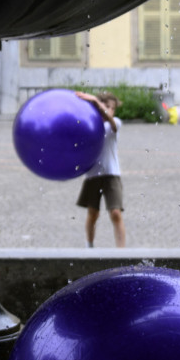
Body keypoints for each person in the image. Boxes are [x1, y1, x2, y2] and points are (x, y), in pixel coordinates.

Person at [73, 91, 126, 248]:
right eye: (106, 106)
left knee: (115, 213)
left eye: (112, 108)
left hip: (112, 175)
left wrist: (96, 101)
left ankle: (121, 253)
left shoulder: (113, 123)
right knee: (93, 213)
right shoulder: (89, 126)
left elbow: (111, 121)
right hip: (92, 175)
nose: (109, 110)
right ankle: (89, 246)